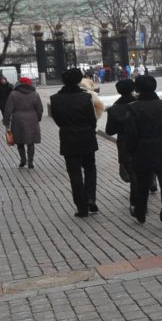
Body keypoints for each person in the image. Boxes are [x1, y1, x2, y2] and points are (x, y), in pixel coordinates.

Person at [49, 68, 100, 216]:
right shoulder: (85, 98)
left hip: (68, 138)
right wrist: (89, 129)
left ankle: (81, 207)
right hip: (87, 137)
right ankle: (90, 197)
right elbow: (92, 119)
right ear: (79, 80)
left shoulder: (55, 99)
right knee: (90, 168)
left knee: (74, 173)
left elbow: (58, 120)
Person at [126, 75, 162, 228]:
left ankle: (140, 212)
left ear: (137, 89)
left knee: (143, 183)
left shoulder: (133, 107)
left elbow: (131, 133)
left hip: (142, 148)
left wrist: (131, 151)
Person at [103, 77, 139, 214]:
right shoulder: (139, 104)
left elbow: (109, 131)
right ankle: (141, 198)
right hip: (142, 143)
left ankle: (135, 202)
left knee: (133, 173)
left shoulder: (114, 109)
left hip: (125, 144)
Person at [6, 77, 43, 168]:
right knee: (31, 142)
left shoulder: (13, 94)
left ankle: (23, 160)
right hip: (32, 119)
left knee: (20, 141)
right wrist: (38, 118)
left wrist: (6, 121)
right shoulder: (35, 94)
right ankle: (30, 162)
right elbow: (40, 109)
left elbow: (8, 109)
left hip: (17, 120)